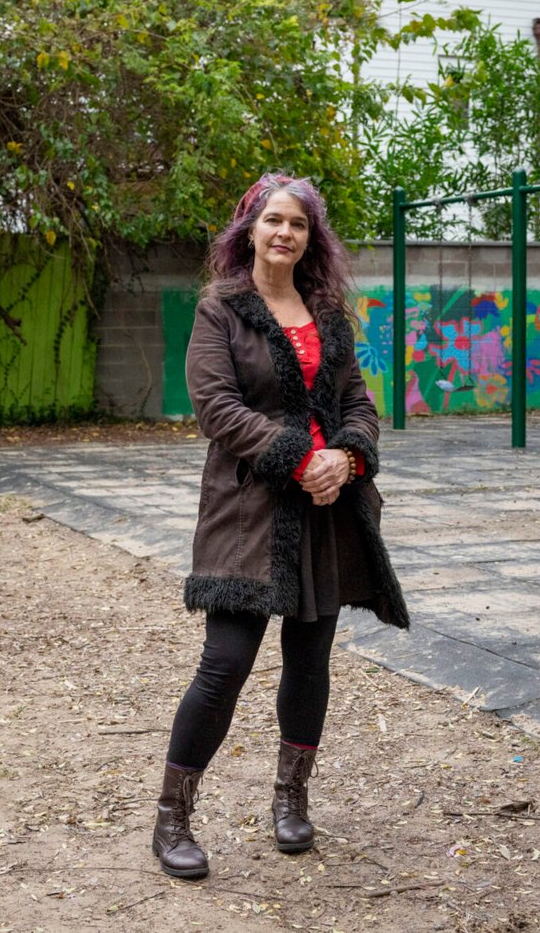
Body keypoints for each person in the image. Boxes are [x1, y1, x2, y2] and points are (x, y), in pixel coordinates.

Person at [151, 173, 410, 880]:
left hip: (326, 514)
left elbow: (358, 401)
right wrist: (299, 457)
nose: (285, 233)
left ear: (309, 238)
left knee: (309, 662)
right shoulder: (221, 311)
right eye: (273, 220)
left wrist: (346, 459)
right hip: (247, 512)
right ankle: (173, 816)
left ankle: (291, 800)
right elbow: (217, 408)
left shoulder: (327, 313)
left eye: (298, 223)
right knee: (225, 662)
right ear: (250, 230)